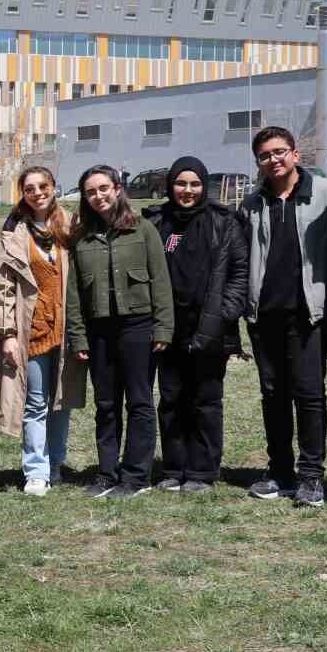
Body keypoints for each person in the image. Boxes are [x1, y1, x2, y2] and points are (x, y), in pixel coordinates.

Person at [237, 126, 327, 506]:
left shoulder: (326, 194)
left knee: (309, 396)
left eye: (280, 151)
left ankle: (312, 476)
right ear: (259, 163)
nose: (274, 159)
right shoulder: (252, 204)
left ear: (296, 154)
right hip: (264, 317)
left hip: (308, 317)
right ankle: (280, 471)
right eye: (265, 155)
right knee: (273, 397)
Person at [66, 166, 175, 499]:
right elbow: (74, 295)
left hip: (138, 327)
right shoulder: (81, 237)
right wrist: (79, 337)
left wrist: (163, 328)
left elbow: (161, 281)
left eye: (103, 189)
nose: (98, 196)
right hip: (99, 330)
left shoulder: (143, 230)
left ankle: (136, 476)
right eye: (90, 191)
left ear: (117, 189)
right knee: (106, 404)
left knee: (139, 401)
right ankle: (107, 472)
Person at [143, 158, 248, 494]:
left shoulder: (224, 221)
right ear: (170, 185)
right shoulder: (156, 221)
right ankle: (174, 467)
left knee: (205, 400)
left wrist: (223, 315)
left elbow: (239, 273)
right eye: (181, 184)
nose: (187, 191)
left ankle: (202, 471)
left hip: (209, 327)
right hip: (166, 326)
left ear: (204, 187)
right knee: (171, 398)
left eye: (194, 184)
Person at [0, 168, 84, 496]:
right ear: (22, 193)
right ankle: (36, 470)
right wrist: (7, 333)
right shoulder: (14, 233)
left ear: (54, 188)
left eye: (43, 186)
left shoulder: (72, 226)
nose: (37, 192)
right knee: (36, 401)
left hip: (66, 328)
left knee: (62, 399)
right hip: (32, 329)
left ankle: (56, 463)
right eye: (29, 188)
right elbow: (1, 288)